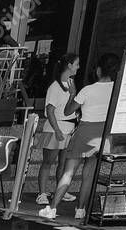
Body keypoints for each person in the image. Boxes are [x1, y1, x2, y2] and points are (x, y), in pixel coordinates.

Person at [41, 53, 120, 221]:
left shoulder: (87, 90)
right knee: (89, 176)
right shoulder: (117, 90)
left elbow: (68, 111)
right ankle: (80, 210)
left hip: (84, 131)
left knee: (68, 173)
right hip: (103, 134)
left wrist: (72, 93)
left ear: (98, 70)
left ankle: (53, 208)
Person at [36, 53, 80, 206]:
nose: (78, 67)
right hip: (56, 128)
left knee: (63, 163)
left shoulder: (70, 84)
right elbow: (49, 110)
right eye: (76, 64)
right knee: (48, 162)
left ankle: (60, 190)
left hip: (69, 127)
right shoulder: (55, 86)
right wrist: (57, 130)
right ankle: (41, 193)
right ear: (69, 65)